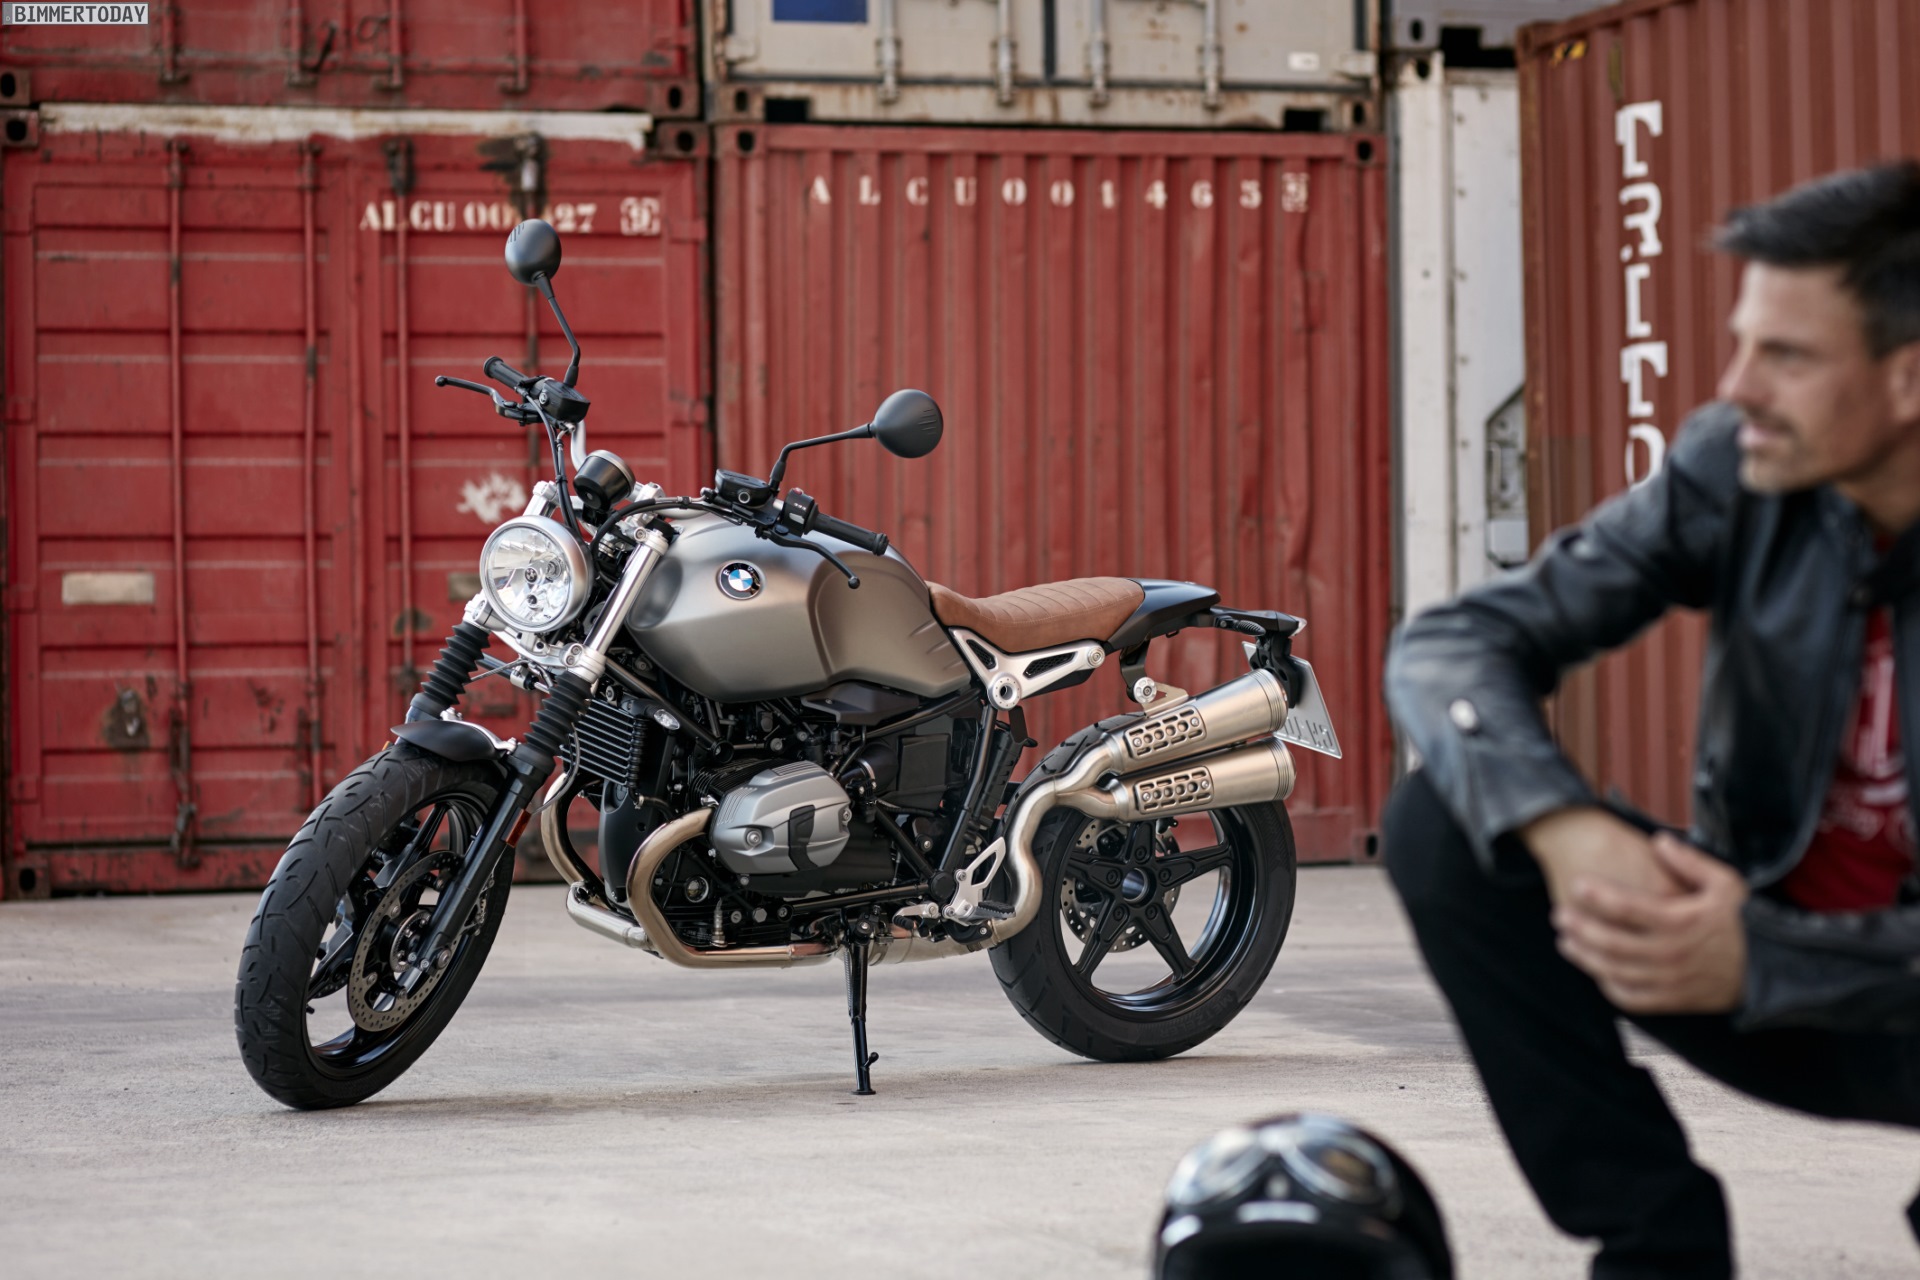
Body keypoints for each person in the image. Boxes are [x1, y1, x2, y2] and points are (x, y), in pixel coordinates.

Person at [1380, 160, 1920, 1279]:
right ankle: (1655, 1249)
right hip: (1745, 975)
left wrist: (1768, 956)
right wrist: (1562, 822)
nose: (1737, 386)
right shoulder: (1740, 468)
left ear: (1908, 376)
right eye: (1742, 344)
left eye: (1787, 355)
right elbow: (1455, 644)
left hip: (1848, 989)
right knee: (1451, 823)